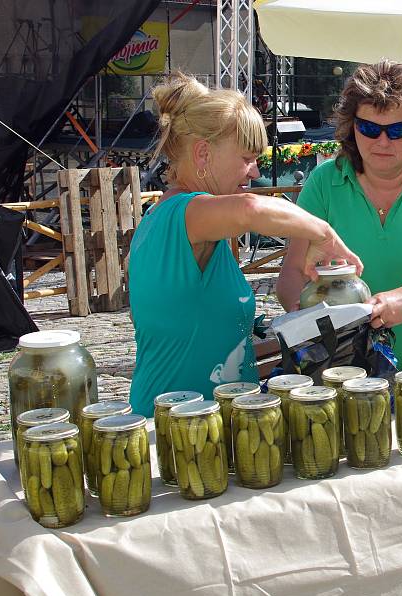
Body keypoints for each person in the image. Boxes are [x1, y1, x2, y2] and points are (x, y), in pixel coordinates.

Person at [128, 73, 362, 416]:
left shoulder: (193, 223)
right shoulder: (185, 214)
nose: (254, 172)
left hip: (206, 424)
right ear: (203, 154)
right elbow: (251, 209)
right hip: (173, 429)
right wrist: (323, 234)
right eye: (246, 158)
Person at [276, 60, 402, 372]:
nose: (383, 142)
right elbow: (292, 272)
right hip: (347, 377)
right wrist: (302, 315)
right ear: (350, 126)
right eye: (369, 128)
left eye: (398, 130)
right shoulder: (323, 181)